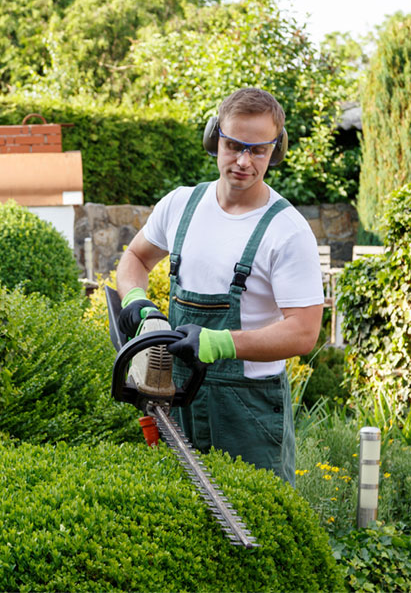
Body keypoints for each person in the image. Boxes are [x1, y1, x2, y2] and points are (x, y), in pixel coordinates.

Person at [115, 87, 323, 485]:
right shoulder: (180, 205)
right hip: (175, 396)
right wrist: (138, 302)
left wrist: (219, 343)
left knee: (259, 525)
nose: (243, 161)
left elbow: (303, 332)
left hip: (247, 410)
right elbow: (135, 259)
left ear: (275, 151)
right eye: (233, 146)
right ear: (215, 139)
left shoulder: (287, 230)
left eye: (257, 150)